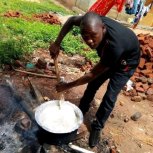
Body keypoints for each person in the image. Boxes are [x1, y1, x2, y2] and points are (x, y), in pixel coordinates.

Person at [49, 12, 140, 148]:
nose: (89, 40)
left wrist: (67, 85)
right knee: (93, 85)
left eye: (93, 36)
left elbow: (92, 74)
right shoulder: (90, 22)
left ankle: (97, 126)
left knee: (110, 95)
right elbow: (71, 20)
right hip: (109, 57)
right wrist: (57, 43)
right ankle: (82, 109)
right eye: (85, 36)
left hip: (125, 64)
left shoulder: (114, 45)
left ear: (103, 28)